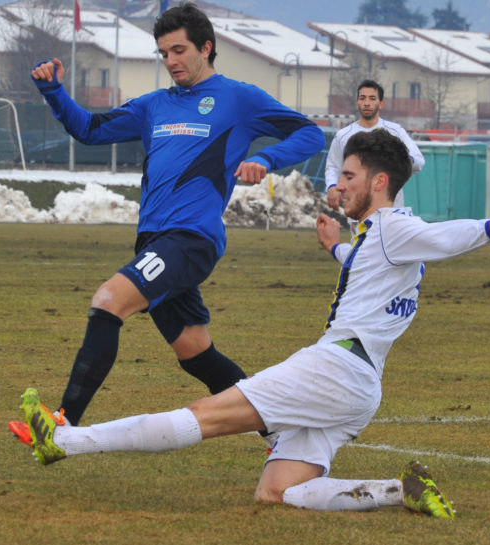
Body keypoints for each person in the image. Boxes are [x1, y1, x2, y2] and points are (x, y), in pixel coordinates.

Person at [9, 129, 490, 515]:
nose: (340, 185)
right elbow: (373, 269)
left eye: (350, 176)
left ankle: (64, 440)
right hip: (361, 386)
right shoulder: (379, 239)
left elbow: (443, 237)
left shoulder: (393, 227)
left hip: (334, 368)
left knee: (205, 415)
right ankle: (394, 491)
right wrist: (337, 249)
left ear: (380, 181)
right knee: (275, 491)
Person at [23, 4, 325, 428]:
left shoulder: (239, 99)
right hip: (154, 241)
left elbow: (310, 132)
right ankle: (279, 428)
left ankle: (63, 424)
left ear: (206, 47)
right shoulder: (154, 106)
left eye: (179, 50)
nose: (171, 61)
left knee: (109, 301)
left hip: (190, 238)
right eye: (163, 53)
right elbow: (90, 130)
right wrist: (54, 91)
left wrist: (268, 158)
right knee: (196, 354)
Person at [324, 79, 425, 215]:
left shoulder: (395, 131)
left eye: (372, 98)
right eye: (362, 98)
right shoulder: (343, 135)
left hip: (391, 210)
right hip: (358, 211)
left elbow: (418, 161)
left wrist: (399, 161)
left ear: (381, 103)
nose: (367, 103)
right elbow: (333, 166)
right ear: (357, 103)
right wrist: (331, 187)